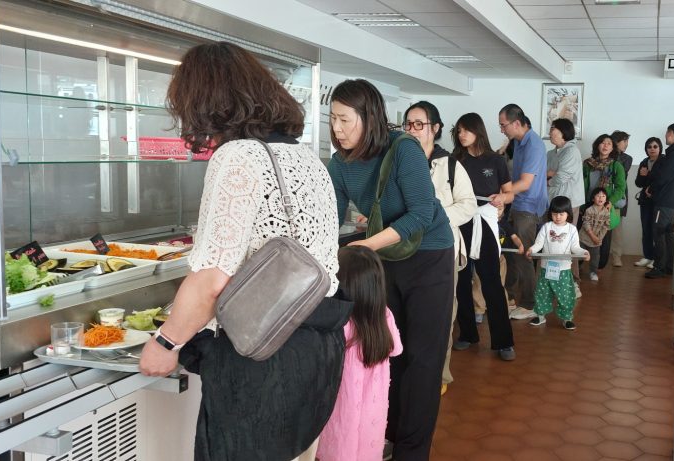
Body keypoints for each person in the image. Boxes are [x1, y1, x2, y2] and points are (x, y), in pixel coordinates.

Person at [139, 42, 348, 461]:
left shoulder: (237, 157)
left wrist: (165, 343)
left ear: (205, 101)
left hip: (264, 359)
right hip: (319, 349)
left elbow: (212, 279)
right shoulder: (307, 158)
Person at [327, 79, 454, 461]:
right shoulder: (340, 162)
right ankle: (388, 435)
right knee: (389, 350)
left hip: (429, 255)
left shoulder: (403, 150)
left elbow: (422, 213)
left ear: (369, 117)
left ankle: (411, 452)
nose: (337, 128)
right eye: (332, 119)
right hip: (385, 257)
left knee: (423, 359)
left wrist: (363, 246)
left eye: (345, 119)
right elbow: (330, 218)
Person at [402, 101, 478, 391]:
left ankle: (439, 375)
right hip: (404, 249)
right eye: (408, 124)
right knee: (406, 314)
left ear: (435, 128)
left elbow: (468, 205)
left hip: (442, 250)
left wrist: (434, 219)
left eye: (419, 124)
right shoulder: (398, 162)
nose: (412, 130)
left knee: (441, 315)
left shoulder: (451, 165)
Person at [318, 246, 403, 461]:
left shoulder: (338, 323)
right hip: (372, 414)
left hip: (340, 412)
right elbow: (396, 349)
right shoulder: (384, 315)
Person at [448, 112, 517, 362]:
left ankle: (504, 341)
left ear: (478, 131)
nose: (461, 135)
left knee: (491, 282)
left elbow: (509, 193)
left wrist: (501, 200)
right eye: (458, 131)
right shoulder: (454, 160)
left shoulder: (495, 160)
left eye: (466, 130)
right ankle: (467, 333)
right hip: (461, 222)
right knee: (461, 281)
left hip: (485, 222)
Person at [498, 104, 547, 321]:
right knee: (513, 254)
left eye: (503, 125)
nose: (502, 130)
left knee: (524, 255)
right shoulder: (518, 141)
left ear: (516, 123)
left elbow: (526, 183)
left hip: (529, 206)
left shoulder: (534, 144)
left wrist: (502, 194)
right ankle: (509, 298)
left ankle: (530, 304)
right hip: (518, 204)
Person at [526, 196, 589, 330]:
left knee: (565, 296)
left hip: (564, 270)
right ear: (551, 214)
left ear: (568, 214)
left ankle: (567, 318)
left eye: (561, 214)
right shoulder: (546, 227)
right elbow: (538, 244)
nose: (558, 217)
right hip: (546, 269)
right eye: (555, 214)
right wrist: (531, 250)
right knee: (542, 293)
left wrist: (584, 252)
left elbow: (575, 247)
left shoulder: (572, 229)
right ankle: (540, 316)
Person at [645, 123, 674, 279]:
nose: (665, 136)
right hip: (672, 200)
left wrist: (651, 188)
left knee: (658, 232)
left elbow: (664, 177)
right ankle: (669, 266)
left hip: (664, 200)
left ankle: (659, 267)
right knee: (667, 233)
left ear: (671, 133)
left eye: (666, 133)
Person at [583, 134, 627, 272]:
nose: (605, 145)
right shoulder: (588, 164)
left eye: (609, 143)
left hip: (605, 205)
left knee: (604, 235)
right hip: (588, 203)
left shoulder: (616, 166)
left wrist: (610, 202)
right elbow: (582, 184)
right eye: (602, 142)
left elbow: (620, 188)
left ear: (613, 148)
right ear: (597, 145)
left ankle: (599, 265)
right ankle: (581, 263)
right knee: (584, 232)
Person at [546, 118, 585, 222]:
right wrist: (551, 174)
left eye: (552, 129)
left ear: (563, 131)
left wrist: (548, 181)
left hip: (568, 202)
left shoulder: (571, 151)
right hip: (553, 199)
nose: (549, 133)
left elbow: (561, 177)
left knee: (566, 230)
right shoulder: (550, 153)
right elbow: (544, 173)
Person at [633, 137, 662, 268]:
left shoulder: (664, 161)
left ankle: (657, 259)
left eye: (655, 146)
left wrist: (648, 174)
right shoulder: (644, 162)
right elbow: (638, 183)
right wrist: (642, 175)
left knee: (657, 230)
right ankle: (647, 256)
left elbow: (661, 180)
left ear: (660, 148)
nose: (652, 149)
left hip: (659, 201)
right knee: (646, 229)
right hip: (645, 201)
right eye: (649, 147)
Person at [609, 131, 633, 267]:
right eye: (624, 141)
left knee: (617, 227)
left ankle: (616, 257)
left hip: (618, 196)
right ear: (616, 141)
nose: (627, 144)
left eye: (627, 141)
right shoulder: (604, 154)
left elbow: (619, 174)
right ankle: (597, 257)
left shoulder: (627, 158)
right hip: (602, 194)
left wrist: (613, 155)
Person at [579, 187, 611, 281]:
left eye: (603, 196)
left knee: (595, 258)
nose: (601, 198)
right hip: (584, 238)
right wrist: (593, 237)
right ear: (593, 198)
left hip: (596, 241)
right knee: (579, 255)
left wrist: (599, 238)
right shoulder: (589, 210)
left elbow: (605, 227)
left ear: (606, 199)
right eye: (598, 196)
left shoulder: (606, 212)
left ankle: (593, 272)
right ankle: (576, 270)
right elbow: (586, 224)